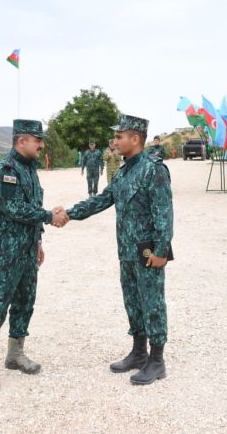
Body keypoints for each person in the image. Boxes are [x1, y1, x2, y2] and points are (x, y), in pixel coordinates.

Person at [62, 114, 173, 386]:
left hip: (148, 252)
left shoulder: (154, 169)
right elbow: (103, 199)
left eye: (119, 136)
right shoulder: (124, 171)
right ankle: (138, 352)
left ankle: (156, 361)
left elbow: (164, 214)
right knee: (133, 301)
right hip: (126, 250)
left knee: (152, 303)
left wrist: (161, 250)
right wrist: (69, 213)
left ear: (135, 139)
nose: (115, 140)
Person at [0, 119, 68, 391]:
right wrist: (50, 216)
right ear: (21, 141)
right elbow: (14, 209)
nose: (41, 144)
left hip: (26, 250)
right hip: (5, 252)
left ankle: (15, 354)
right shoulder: (6, 170)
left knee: (26, 301)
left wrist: (38, 242)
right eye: (37, 140)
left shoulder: (30, 170)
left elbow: (31, 208)